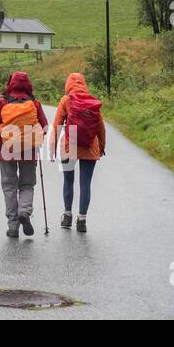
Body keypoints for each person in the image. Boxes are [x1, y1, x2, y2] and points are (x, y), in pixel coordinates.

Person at [0, 71, 48, 238]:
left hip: (7, 149)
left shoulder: (2, 102)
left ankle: (13, 226)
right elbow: (45, 125)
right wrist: (38, 139)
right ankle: (24, 212)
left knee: (9, 187)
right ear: (28, 85)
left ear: (11, 84)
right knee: (27, 185)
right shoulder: (35, 103)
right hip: (29, 149)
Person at [52, 72, 106, 232]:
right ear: (84, 84)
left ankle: (67, 216)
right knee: (85, 184)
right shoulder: (92, 101)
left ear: (68, 84)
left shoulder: (66, 100)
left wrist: (53, 148)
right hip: (90, 146)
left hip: (69, 146)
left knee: (68, 181)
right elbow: (100, 126)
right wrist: (102, 145)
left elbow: (57, 125)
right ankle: (82, 219)